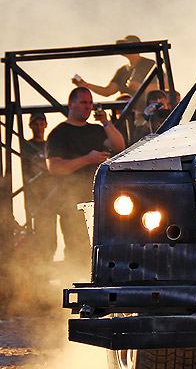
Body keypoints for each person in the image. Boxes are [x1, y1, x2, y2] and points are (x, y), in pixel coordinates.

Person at [46, 87, 126, 266]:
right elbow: (55, 167)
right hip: (71, 204)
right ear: (71, 104)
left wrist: (106, 122)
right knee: (78, 248)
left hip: (100, 200)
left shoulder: (97, 130)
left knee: (105, 247)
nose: (88, 107)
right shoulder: (59, 133)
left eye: (90, 103)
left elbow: (120, 147)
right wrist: (87, 159)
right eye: (83, 102)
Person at [71, 35, 158, 98]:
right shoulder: (122, 71)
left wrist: (140, 87)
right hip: (128, 114)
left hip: (148, 111)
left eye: (127, 45)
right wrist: (85, 85)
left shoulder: (150, 64)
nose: (124, 48)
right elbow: (107, 91)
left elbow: (165, 85)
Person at [19, 112, 56, 264]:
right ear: (30, 126)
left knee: (52, 232)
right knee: (41, 230)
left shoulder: (50, 144)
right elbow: (30, 168)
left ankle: (49, 260)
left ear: (46, 125)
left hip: (53, 191)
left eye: (41, 124)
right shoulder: (26, 146)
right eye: (35, 124)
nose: (39, 127)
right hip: (36, 193)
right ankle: (41, 263)